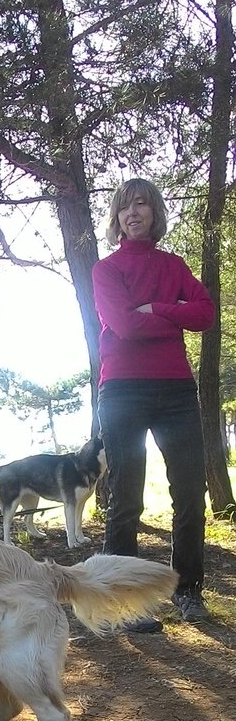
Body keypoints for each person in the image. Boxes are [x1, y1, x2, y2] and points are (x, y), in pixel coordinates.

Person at [92, 178, 214, 632]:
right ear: (117, 218)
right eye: (125, 207)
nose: (133, 213)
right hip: (122, 390)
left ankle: (188, 592)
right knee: (125, 498)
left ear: (154, 212)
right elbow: (123, 326)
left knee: (189, 495)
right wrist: (168, 311)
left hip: (176, 391)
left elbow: (204, 314)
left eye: (141, 204)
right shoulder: (107, 270)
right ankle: (126, 603)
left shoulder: (173, 264)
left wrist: (156, 308)